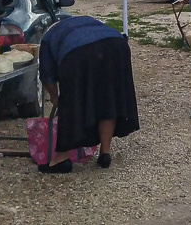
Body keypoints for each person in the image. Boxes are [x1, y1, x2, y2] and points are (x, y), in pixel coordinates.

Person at [37, 16, 139, 173]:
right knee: (108, 98)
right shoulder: (86, 20)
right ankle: (105, 153)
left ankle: (61, 159)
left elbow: (47, 76)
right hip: (116, 44)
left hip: (78, 53)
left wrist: (56, 98)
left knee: (72, 103)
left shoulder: (48, 39)